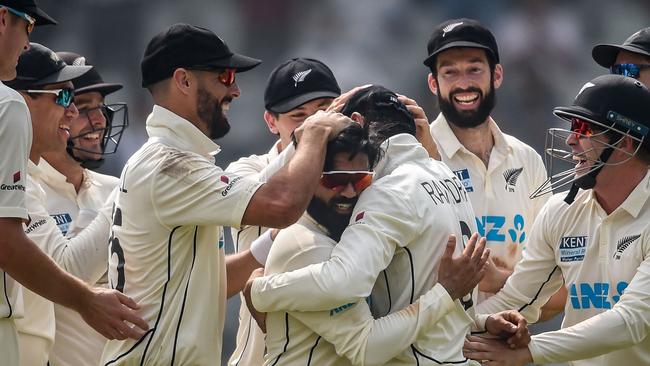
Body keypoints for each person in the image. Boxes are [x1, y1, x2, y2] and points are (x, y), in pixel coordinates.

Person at [100, 23, 352, 365]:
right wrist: (317, 129)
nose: (235, 90)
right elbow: (282, 205)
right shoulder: (170, 165)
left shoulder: (174, 160)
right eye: (225, 76)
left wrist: (264, 249)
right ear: (184, 81)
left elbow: (206, 286)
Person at [244, 86, 532, 365]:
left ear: (356, 124)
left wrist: (260, 291)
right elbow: (416, 293)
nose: (349, 191)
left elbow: (349, 283)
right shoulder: (446, 175)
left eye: (357, 180)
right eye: (335, 180)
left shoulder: (389, 190)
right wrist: (469, 314)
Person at [464, 74, 650, 366]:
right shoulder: (561, 210)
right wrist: (457, 329)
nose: (570, 139)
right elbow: (518, 300)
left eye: (584, 128)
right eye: (573, 126)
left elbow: (633, 321)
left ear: (626, 142)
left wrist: (530, 350)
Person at [0, 4, 145, 366]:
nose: (77, 114)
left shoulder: (112, 186)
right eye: (66, 98)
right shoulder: (10, 112)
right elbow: (18, 248)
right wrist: (136, 184)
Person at [423, 18, 560, 313]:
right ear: (434, 83)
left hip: (511, 348)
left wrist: (500, 284)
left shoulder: (527, 160)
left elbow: (554, 287)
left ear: (496, 75)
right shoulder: (419, 157)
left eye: (474, 69)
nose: (463, 83)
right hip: (434, 351)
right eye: (450, 72)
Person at [227, 57, 341, 366]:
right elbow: (262, 187)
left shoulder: (358, 174)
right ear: (271, 122)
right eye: (298, 116)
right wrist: (313, 136)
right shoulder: (246, 170)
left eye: (322, 111)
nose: (312, 123)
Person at [37, 51, 127, 366]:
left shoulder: (115, 187)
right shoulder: (21, 192)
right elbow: (67, 274)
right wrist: (130, 192)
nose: (100, 120)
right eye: (82, 107)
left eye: (100, 107)